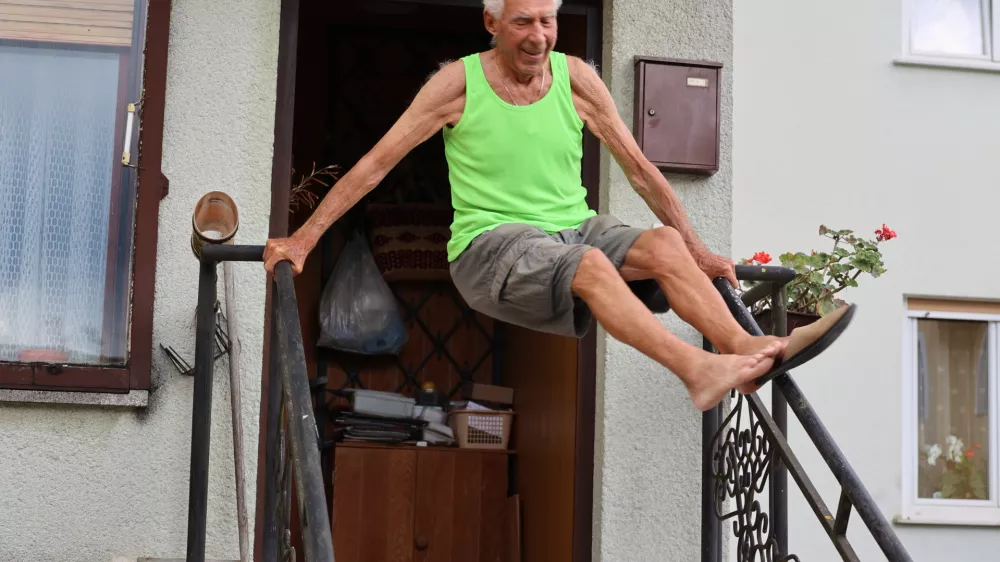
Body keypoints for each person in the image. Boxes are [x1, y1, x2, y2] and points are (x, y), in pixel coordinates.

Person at [264, 0, 853, 411]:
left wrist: (698, 249)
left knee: (665, 247)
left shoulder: (575, 79)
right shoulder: (459, 84)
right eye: (523, 22)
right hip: (489, 246)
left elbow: (641, 170)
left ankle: (745, 348)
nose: (538, 36)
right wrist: (304, 239)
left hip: (574, 227)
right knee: (590, 268)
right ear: (492, 22)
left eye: (547, 21)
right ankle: (697, 371)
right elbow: (375, 165)